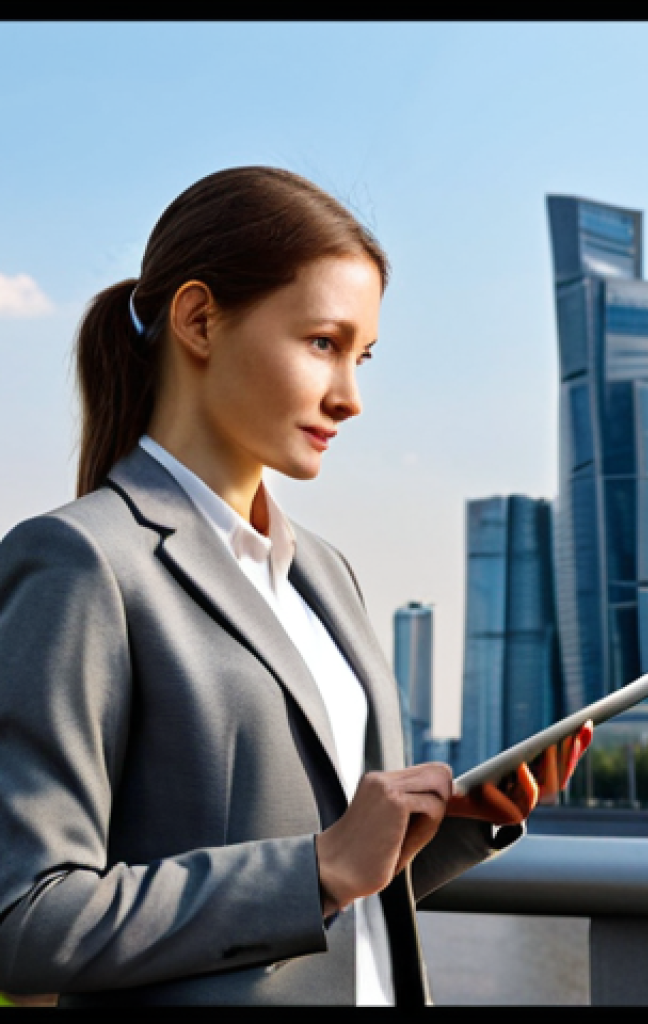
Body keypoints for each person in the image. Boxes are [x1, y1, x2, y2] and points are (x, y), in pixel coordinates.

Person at [0, 167, 591, 1007]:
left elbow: (327, 911)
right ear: (199, 320)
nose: (350, 397)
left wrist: (447, 827)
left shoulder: (325, 573)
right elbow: (24, 919)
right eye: (323, 343)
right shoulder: (81, 563)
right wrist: (316, 867)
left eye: (365, 356)